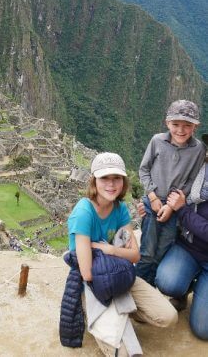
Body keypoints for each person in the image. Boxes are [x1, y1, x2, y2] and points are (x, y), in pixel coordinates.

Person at [66, 152, 177, 355]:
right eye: (104, 178)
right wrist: (120, 255)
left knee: (168, 316)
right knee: (126, 353)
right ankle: (95, 312)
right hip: (93, 284)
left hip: (119, 274)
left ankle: (125, 312)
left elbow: (135, 255)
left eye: (116, 178)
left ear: (123, 181)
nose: (111, 184)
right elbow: (87, 272)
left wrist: (109, 249)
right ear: (94, 181)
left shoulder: (120, 209)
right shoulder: (84, 212)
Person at [136, 100, 206, 285]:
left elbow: (193, 179)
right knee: (148, 250)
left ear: (195, 127)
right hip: (153, 202)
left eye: (187, 125)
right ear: (167, 123)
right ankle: (138, 287)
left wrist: (170, 205)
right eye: (175, 124)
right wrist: (151, 196)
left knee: (163, 249)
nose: (180, 130)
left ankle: (151, 289)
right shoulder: (157, 141)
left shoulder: (198, 149)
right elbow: (144, 170)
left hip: (174, 205)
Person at [155, 133, 208, 340]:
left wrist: (183, 211)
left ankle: (199, 288)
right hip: (188, 247)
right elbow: (168, 185)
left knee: (203, 330)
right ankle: (183, 291)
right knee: (168, 281)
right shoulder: (197, 169)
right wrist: (151, 202)